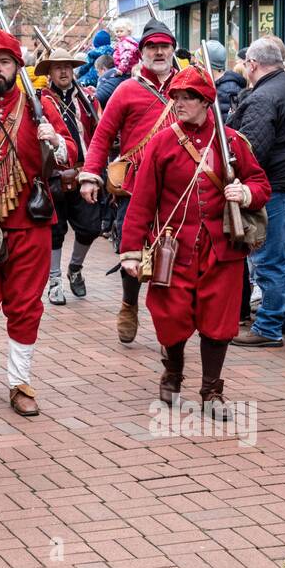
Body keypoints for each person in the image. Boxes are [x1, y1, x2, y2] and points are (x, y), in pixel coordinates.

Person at [120, 65, 271, 415]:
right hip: (174, 248)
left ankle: (211, 391)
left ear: (206, 102)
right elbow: (142, 200)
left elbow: (262, 185)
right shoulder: (161, 142)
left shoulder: (231, 141)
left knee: (219, 322)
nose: (179, 103)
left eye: (188, 97)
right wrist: (131, 251)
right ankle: (173, 372)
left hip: (223, 248)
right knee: (170, 317)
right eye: (176, 96)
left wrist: (245, 193)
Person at [0, 27, 78, 417]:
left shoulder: (41, 105)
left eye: (4, 62)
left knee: (25, 306)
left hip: (30, 221)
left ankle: (19, 380)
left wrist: (54, 139)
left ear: (17, 66)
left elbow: (71, 155)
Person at [79, 19, 178, 343]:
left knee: (174, 255)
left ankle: (170, 326)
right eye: (152, 47)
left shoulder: (188, 87)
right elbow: (102, 136)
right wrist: (91, 176)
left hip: (180, 187)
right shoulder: (127, 90)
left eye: (164, 46)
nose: (159, 52)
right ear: (142, 53)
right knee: (130, 250)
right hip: (134, 187)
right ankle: (129, 303)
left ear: (173, 49)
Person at [229, 39, 285, 347]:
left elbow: (252, 149)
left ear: (253, 64)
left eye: (245, 64)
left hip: (283, 185)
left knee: (269, 258)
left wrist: (241, 182)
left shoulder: (264, 96)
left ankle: (269, 325)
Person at [37, 46, 100, 304]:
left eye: (67, 66)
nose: (63, 71)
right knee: (56, 230)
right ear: (50, 71)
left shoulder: (87, 98)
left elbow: (98, 131)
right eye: (57, 67)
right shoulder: (43, 101)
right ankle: (54, 281)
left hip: (85, 171)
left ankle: (75, 268)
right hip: (55, 174)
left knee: (90, 228)